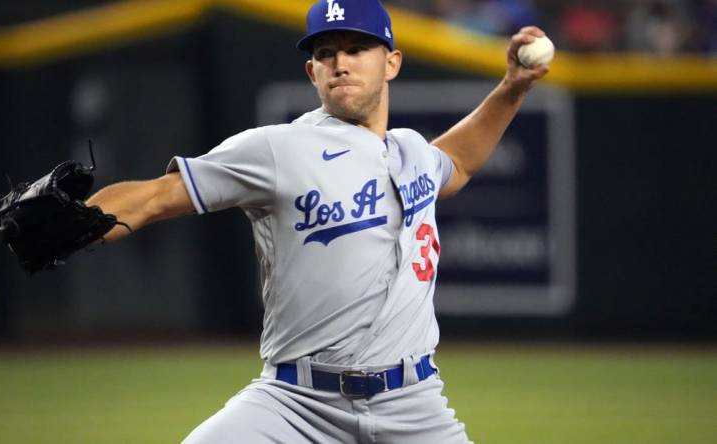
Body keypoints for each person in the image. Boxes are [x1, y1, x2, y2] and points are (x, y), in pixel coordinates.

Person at [86, 1, 549, 442]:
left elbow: (458, 163)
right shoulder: (277, 148)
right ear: (312, 72)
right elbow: (153, 197)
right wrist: (76, 222)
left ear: (391, 63)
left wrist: (512, 89)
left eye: (356, 49)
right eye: (325, 54)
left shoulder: (412, 152)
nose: (340, 63)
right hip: (294, 403)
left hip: (414, 405)